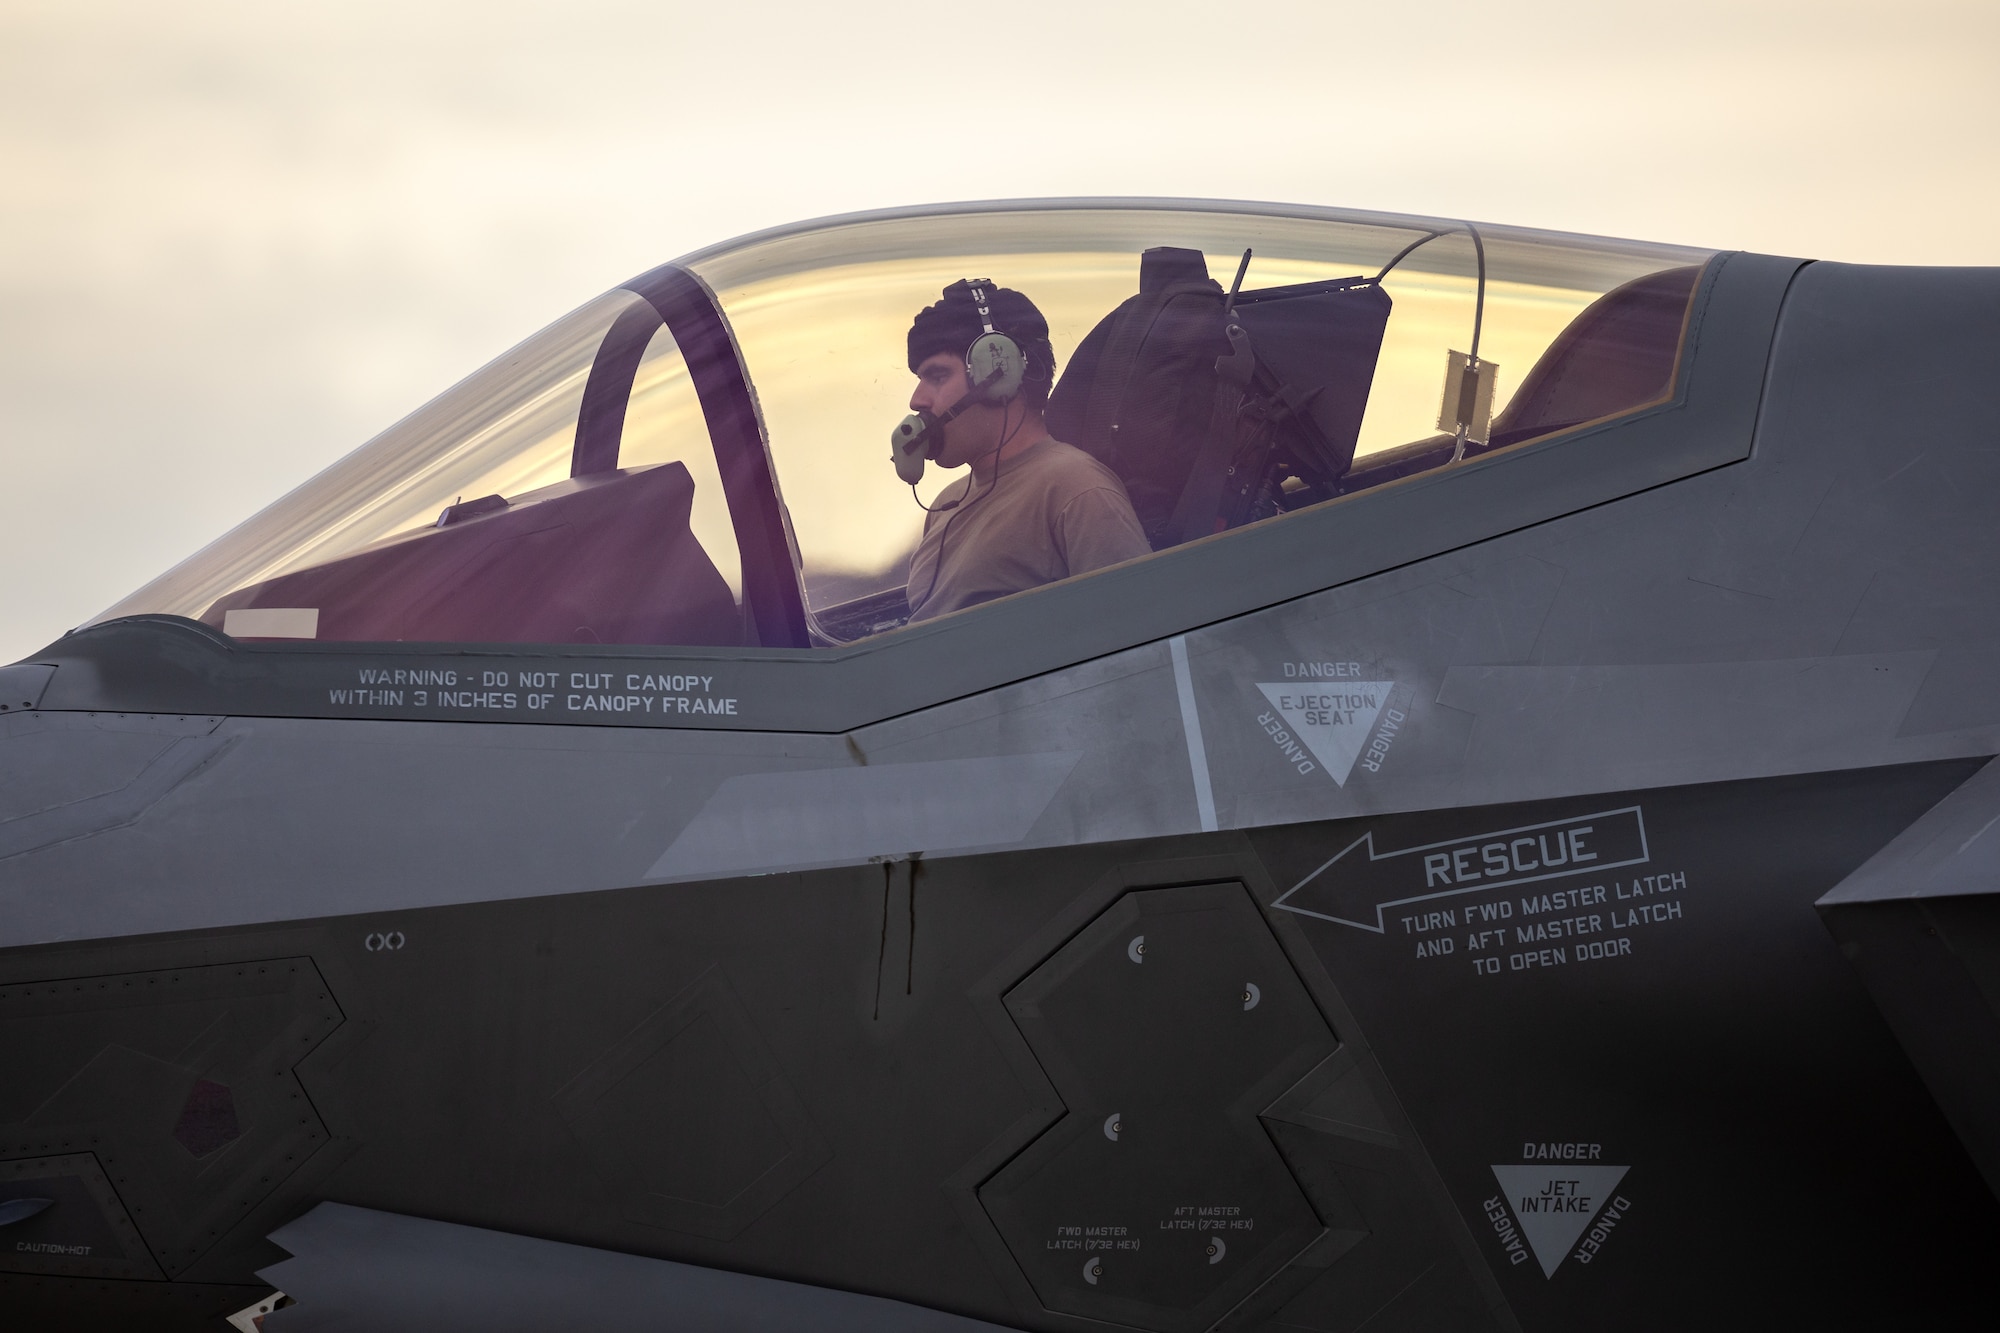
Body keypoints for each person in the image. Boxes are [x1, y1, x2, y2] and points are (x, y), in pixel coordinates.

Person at [901, 281, 1150, 623]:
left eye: (937, 376)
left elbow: (1142, 636)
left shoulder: (1076, 489)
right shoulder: (946, 503)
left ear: (997, 375)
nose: (917, 400)